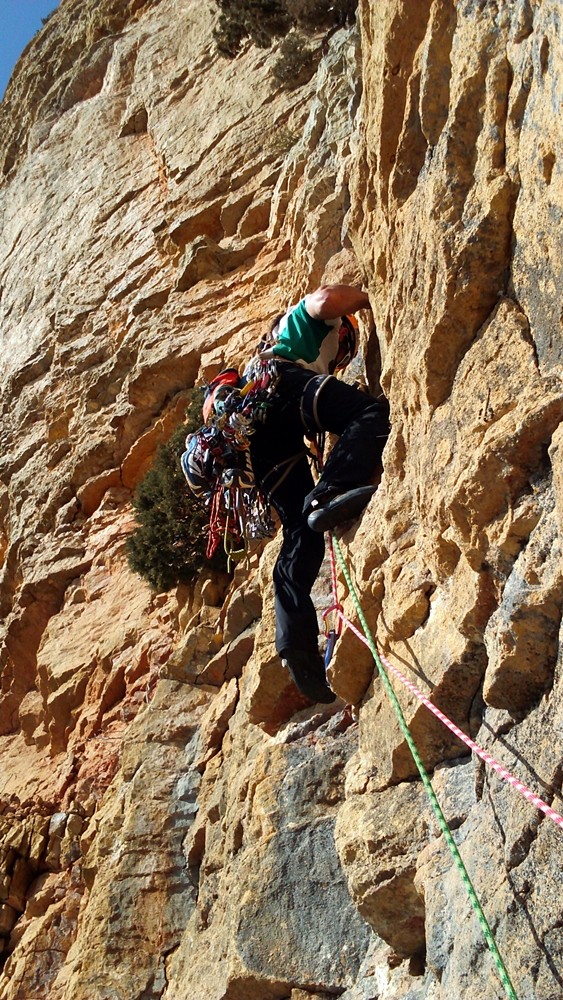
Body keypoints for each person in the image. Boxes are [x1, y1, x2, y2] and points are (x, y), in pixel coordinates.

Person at [248, 284, 389, 704]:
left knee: (300, 532)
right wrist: (369, 295)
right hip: (284, 387)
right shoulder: (305, 326)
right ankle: (331, 492)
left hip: (258, 435)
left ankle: (296, 646)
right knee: (369, 412)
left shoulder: (256, 364)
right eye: (344, 351)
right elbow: (324, 297)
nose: (339, 359)